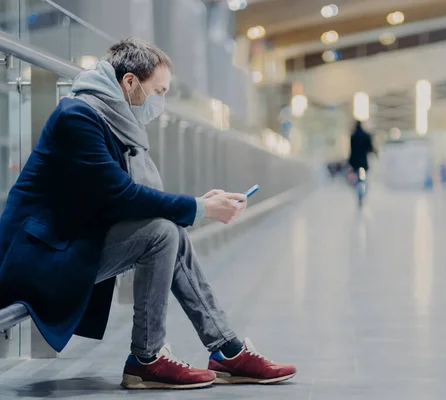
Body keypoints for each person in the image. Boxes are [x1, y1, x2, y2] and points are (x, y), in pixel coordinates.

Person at [0, 38, 296, 389]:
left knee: (169, 228)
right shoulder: (77, 117)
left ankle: (226, 351)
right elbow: (121, 197)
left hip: (71, 241)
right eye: (158, 90)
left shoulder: (112, 120)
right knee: (162, 232)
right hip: (39, 256)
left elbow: (132, 199)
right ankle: (147, 358)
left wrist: (198, 202)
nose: (161, 102)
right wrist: (200, 208)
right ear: (129, 83)